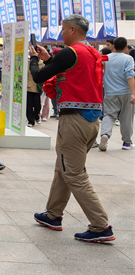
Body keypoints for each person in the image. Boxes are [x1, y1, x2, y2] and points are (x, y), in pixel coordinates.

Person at [30, 15, 114, 242]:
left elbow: (39, 76)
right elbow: (73, 75)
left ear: (72, 29)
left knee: (74, 173)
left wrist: (33, 59)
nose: (61, 34)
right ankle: (53, 215)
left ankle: (100, 225)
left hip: (74, 122)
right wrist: (48, 59)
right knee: (63, 168)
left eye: (64, 29)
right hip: (90, 120)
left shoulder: (70, 52)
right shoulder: (92, 52)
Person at [97, 37, 135, 151]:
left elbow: (100, 71)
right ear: (125, 46)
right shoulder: (128, 59)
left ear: (113, 46)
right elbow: (130, 76)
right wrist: (133, 93)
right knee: (126, 118)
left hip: (110, 92)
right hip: (126, 92)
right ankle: (126, 143)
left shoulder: (106, 58)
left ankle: (105, 135)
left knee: (109, 115)